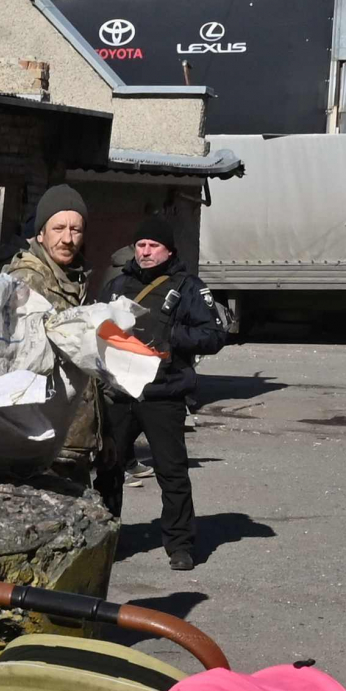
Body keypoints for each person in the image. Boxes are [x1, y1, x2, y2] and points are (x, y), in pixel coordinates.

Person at [91, 215, 225, 573]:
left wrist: (173, 337)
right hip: (120, 394)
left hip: (164, 394)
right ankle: (104, 539)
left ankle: (180, 545)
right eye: (141, 245)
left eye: (153, 245)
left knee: (172, 472)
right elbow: (95, 327)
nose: (146, 251)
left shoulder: (188, 288)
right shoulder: (117, 285)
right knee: (108, 469)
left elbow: (215, 335)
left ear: (169, 251)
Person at [2, 185, 100, 478]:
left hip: (74, 434)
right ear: (40, 234)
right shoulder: (28, 279)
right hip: (42, 436)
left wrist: (100, 433)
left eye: (75, 229)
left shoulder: (75, 279)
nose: (68, 239)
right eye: (58, 228)